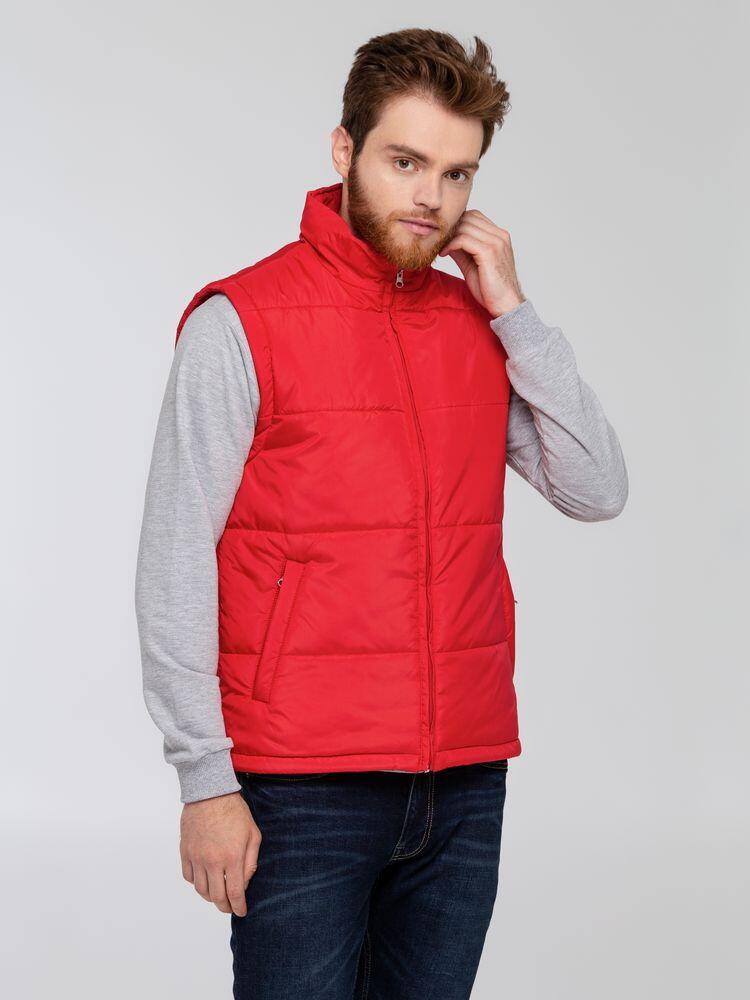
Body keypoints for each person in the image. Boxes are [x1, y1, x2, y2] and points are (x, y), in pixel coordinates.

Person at [135, 27, 628, 1000]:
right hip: (301, 788)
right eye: (406, 162)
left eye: (457, 172)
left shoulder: (478, 328)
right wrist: (204, 779)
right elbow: (174, 556)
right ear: (344, 149)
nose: (431, 197)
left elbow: (595, 487)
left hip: (464, 781)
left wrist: (516, 313)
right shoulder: (242, 322)